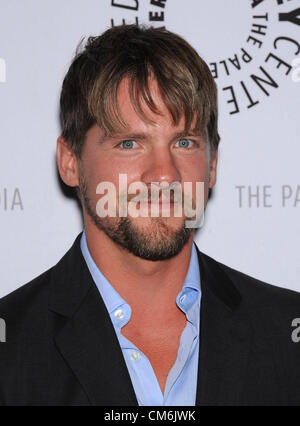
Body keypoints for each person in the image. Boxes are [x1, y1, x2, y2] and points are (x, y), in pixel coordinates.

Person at [0, 24, 300, 407]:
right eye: (129, 143)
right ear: (71, 162)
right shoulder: (11, 349)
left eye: (185, 142)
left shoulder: (287, 335)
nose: (165, 174)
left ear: (212, 165)